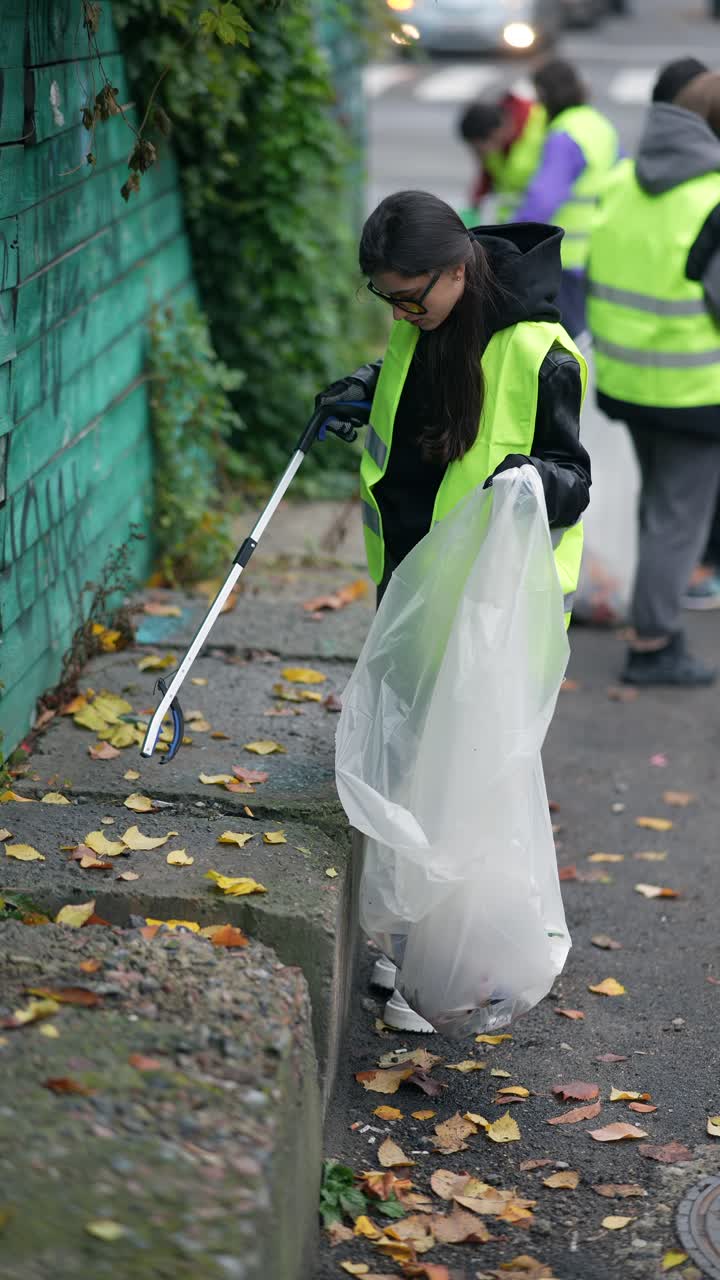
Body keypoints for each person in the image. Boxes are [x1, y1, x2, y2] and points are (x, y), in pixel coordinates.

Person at [316, 191, 591, 1031]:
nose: (402, 313)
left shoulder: (542, 353)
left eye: (412, 296)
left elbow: (575, 480)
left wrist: (531, 481)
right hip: (414, 592)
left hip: (489, 617)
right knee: (409, 773)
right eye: (388, 300)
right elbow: (417, 408)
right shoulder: (425, 323)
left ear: (459, 269)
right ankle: (413, 952)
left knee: (464, 784)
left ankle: (456, 969)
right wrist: (365, 388)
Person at [587, 68, 720, 685]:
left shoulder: (622, 182)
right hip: (697, 392)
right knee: (678, 517)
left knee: (658, 506)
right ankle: (654, 644)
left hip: (628, 381)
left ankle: (650, 617)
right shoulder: (713, 200)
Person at [514, 59, 620, 339]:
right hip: (596, 250)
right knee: (586, 338)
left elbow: (543, 200)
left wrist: (511, 238)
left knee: (566, 345)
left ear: (546, 95)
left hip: (563, 258)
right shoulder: (599, 125)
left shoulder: (565, 134)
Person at [457, 92, 547, 225]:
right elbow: (487, 176)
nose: (479, 155)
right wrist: (474, 206)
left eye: (479, 149)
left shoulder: (539, 123)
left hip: (545, 220)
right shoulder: (493, 134)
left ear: (496, 134)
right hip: (515, 224)